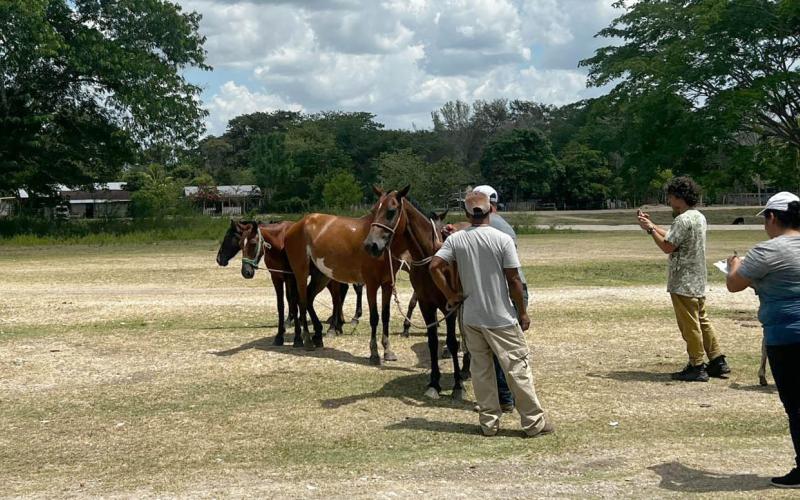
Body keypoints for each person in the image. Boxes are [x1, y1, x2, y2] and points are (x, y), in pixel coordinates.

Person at [430, 191, 553, 437]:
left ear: (466, 213)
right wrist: (523, 312)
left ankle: (489, 423)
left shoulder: (455, 240)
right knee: (517, 367)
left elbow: (434, 266)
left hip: (471, 317)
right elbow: (514, 280)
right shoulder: (502, 239)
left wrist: (450, 294)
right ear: (491, 210)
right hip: (501, 317)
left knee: (480, 370)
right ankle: (533, 423)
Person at [726, 191, 800, 489]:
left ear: (772, 217)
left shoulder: (765, 252)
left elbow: (734, 284)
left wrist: (734, 263)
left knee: (796, 404)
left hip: (786, 336)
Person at [637, 176, 730, 382]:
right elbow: (673, 236)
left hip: (682, 281)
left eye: (670, 196)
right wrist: (651, 225)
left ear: (679, 197)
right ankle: (717, 360)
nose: (669, 201)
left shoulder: (682, 219)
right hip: (697, 279)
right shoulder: (698, 217)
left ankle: (697, 365)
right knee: (702, 320)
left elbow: (667, 246)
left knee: (690, 325)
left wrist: (650, 230)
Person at [472, 185, 527, 411]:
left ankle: (505, 399)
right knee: (509, 350)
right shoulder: (502, 224)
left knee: (497, 351)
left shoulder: (490, 225)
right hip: (516, 289)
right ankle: (511, 396)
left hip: (503, 291)